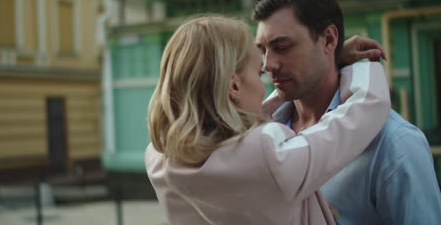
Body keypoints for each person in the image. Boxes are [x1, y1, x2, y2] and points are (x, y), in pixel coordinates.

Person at [145, 15, 390, 224]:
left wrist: (326, 63)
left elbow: (230, 124)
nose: (265, 87)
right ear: (233, 85)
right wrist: (353, 66)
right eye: (258, 72)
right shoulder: (269, 155)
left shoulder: (158, 158)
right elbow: (365, 106)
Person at [253, 0, 441, 225]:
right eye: (263, 50)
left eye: (283, 47)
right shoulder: (261, 135)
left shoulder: (395, 143)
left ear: (329, 40)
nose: (268, 65)